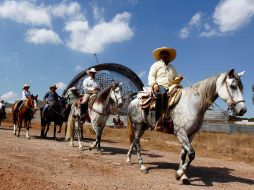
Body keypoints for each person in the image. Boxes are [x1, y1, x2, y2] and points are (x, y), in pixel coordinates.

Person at [148, 47, 183, 131]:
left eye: (166, 54)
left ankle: (174, 120)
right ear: (160, 55)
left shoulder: (172, 68)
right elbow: (151, 76)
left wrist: (178, 78)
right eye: (163, 53)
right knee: (162, 94)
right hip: (159, 85)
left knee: (181, 93)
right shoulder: (156, 65)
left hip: (170, 86)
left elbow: (175, 79)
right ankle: (158, 121)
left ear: (169, 56)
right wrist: (154, 84)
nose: (165, 55)